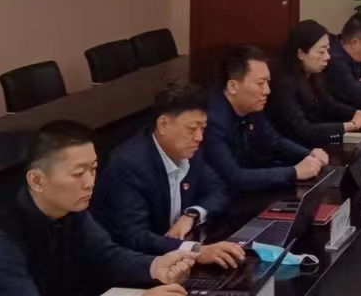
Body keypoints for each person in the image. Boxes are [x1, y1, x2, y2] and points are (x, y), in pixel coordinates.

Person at [0, 121, 197, 296]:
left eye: (93, 169)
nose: (90, 183)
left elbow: (106, 256)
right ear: (37, 180)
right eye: (78, 174)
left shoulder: (70, 209)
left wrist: (154, 266)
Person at [92, 83, 246, 268]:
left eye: (203, 129)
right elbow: (134, 237)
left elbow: (219, 189)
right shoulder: (128, 164)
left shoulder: (190, 152)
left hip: (178, 258)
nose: (199, 137)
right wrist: (195, 250)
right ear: (163, 125)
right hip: (138, 266)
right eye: (192, 129)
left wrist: (191, 215)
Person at [204, 45, 328, 192]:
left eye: (267, 83)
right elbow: (235, 177)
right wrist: (294, 172)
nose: (267, 91)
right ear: (233, 87)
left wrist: (309, 154)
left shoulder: (252, 107)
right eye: (260, 83)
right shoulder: (212, 121)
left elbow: (273, 141)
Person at [267, 20, 361, 148]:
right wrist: (352, 125)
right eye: (321, 52)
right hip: (293, 150)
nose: (328, 57)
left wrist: (358, 114)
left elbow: (329, 104)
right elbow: (303, 130)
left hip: (314, 146)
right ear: (301, 54)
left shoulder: (314, 74)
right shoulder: (282, 82)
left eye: (327, 50)